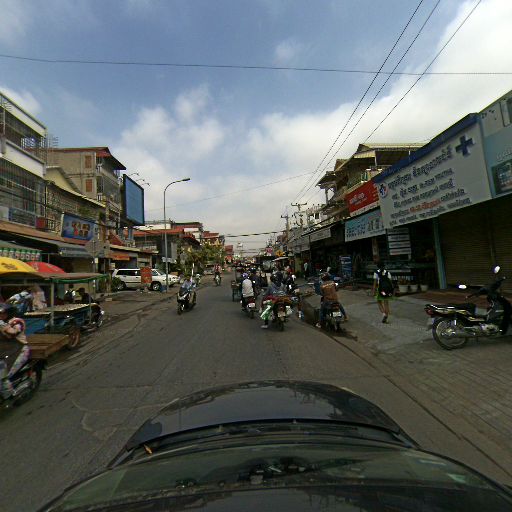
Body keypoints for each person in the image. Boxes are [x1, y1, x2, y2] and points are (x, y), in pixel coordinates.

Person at [0, 303, 29, 399]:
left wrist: (3, 325)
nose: (1, 315)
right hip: (4, 351)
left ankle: (10, 395)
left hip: (19, 350)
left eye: (2, 313)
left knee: (3, 376)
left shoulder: (17, 321)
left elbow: (13, 334)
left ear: (9, 313)